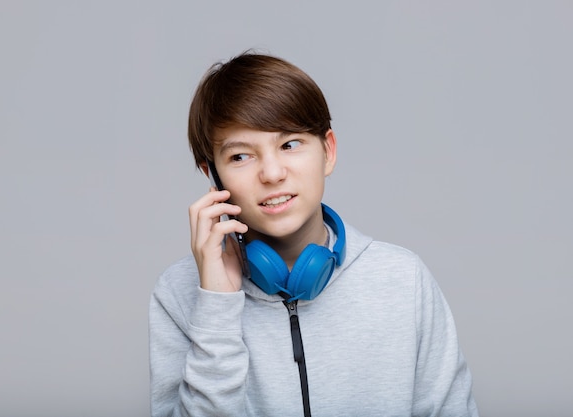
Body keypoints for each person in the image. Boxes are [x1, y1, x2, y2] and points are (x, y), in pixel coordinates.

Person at [149, 52, 479, 417]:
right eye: (241, 156)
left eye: (290, 145)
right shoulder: (179, 293)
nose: (272, 173)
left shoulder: (403, 279)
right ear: (213, 176)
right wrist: (216, 307)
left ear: (328, 151)